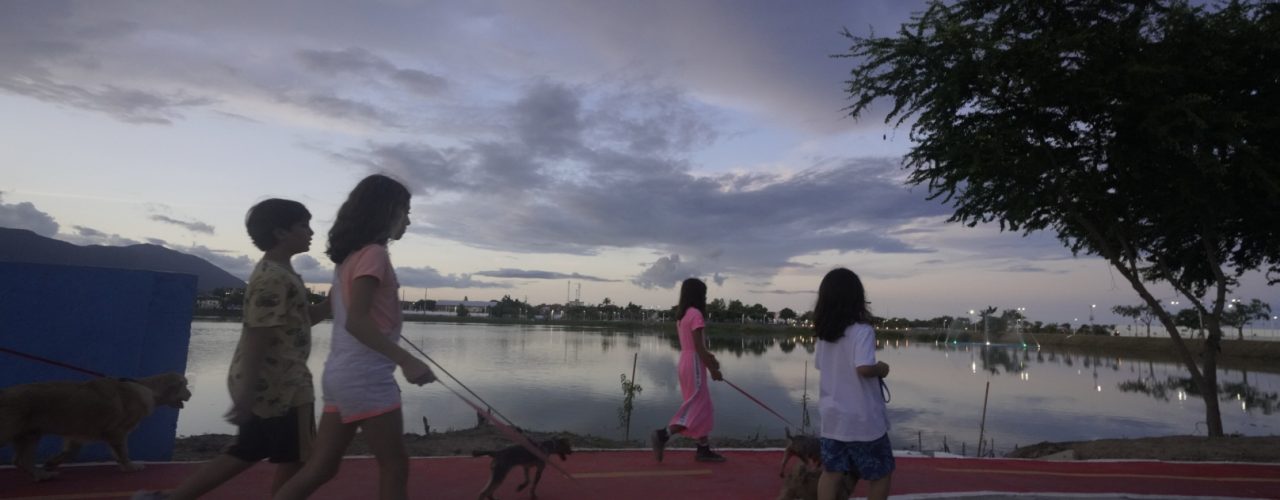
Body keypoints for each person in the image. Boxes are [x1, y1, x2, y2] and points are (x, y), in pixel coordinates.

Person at [133, 199, 330, 500]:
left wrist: (332, 303)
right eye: (303, 225)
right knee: (298, 457)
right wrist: (247, 393)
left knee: (249, 450)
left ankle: (171, 499)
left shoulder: (281, 273)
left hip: (277, 382)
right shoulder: (273, 278)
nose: (311, 232)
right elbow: (256, 336)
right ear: (280, 232)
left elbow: (300, 323)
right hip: (281, 386)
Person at [273, 174, 436, 500]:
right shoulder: (374, 254)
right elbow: (357, 322)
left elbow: (320, 314)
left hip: (338, 377)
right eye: (405, 210)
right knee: (395, 465)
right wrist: (406, 360)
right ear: (386, 212)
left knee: (322, 468)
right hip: (366, 378)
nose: (409, 220)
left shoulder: (347, 259)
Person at [812, 268, 893, 500]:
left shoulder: (824, 335)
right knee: (880, 474)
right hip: (863, 421)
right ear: (857, 296)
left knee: (831, 473)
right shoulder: (862, 331)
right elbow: (864, 368)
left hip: (833, 419)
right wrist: (882, 369)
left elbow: (821, 366)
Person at [650, 277, 726, 463]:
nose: (706, 297)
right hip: (694, 363)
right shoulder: (696, 315)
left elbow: (695, 346)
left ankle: (703, 448)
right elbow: (698, 347)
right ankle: (664, 434)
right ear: (698, 294)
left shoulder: (683, 315)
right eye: (704, 294)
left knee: (701, 405)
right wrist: (713, 370)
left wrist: (710, 358)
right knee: (696, 405)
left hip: (686, 360)